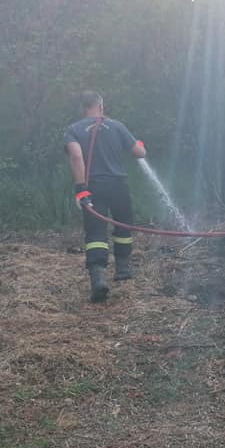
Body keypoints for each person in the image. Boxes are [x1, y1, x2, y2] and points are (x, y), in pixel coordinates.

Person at [64, 91, 147, 302]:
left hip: (93, 188)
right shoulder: (117, 126)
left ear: (84, 107)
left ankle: (98, 279)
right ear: (101, 105)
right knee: (123, 226)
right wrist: (140, 145)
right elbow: (139, 153)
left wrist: (81, 188)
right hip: (118, 185)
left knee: (95, 234)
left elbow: (76, 156)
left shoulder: (73, 130)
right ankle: (123, 269)